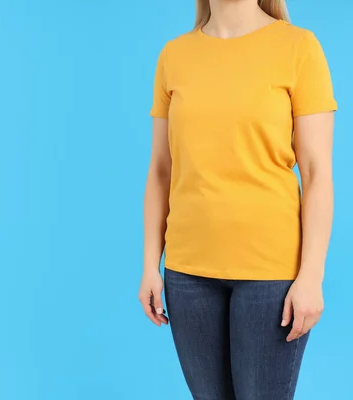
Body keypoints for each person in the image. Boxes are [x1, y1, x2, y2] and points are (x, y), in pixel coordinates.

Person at [138, 0, 337, 399]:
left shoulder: (299, 48)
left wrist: (312, 276)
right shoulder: (174, 56)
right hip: (187, 272)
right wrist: (149, 266)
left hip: (272, 274)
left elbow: (317, 174)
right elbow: (161, 170)